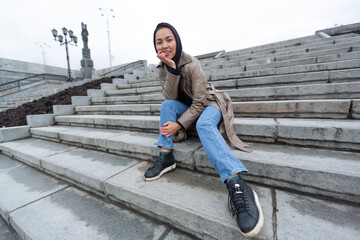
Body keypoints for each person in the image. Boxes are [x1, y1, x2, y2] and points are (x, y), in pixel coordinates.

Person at [144, 22, 264, 238]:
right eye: (159, 42)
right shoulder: (162, 68)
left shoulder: (192, 63)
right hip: (188, 106)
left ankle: (236, 182)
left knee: (203, 123)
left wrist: (180, 125)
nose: (164, 45)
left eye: (168, 39)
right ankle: (165, 156)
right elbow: (170, 98)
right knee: (166, 106)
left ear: (177, 41)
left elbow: (200, 103)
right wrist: (171, 69)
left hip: (210, 104)